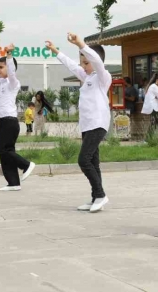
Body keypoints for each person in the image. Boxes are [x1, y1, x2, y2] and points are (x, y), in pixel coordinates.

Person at [48, 33, 112, 213]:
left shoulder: (102, 77)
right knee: (93, 162)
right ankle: (95, 198)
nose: (83, 67)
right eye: (82, 63)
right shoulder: (87, 78)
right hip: (87, 125)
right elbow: (71, 65)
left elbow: (97, 62)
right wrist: (55, 51)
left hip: (98, 124)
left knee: (83, 160)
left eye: (86, 63)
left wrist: (81, 45)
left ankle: (100, 194)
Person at [0, 45, 35, 191]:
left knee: (2, 150)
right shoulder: (1, 82)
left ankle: (26, 165)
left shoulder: (13, 83)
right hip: (4, 121)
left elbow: (11, 73)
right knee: (6, 151)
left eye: (1, 67)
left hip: (10, 122)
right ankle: (13, 183)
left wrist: (9, 55)